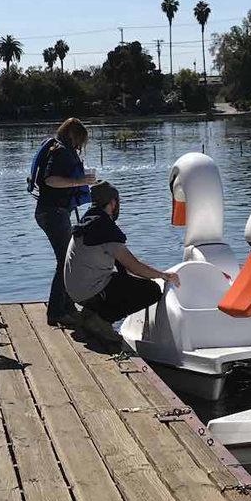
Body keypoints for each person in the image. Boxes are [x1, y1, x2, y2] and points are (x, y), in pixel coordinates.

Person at [63, 181, 180, 344]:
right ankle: (100, 321)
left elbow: (125, 268)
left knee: (127, 282)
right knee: (151, 291)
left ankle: (91, 314)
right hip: (89, 291)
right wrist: (163, 275)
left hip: (75, 290)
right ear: (112, 203)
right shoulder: (103, 228)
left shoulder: (89, 221)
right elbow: (133, 265)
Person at [30, 118, 96, 329]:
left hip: (55, 212)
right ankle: (56, 312)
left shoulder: (57, 149)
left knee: (69, 260)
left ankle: (67, 307)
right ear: (73, 135)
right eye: (80, 141)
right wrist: (80, 182)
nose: (80, 146)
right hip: (52, 213)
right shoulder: (59, 152)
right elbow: (50, 180)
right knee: (65, 261)